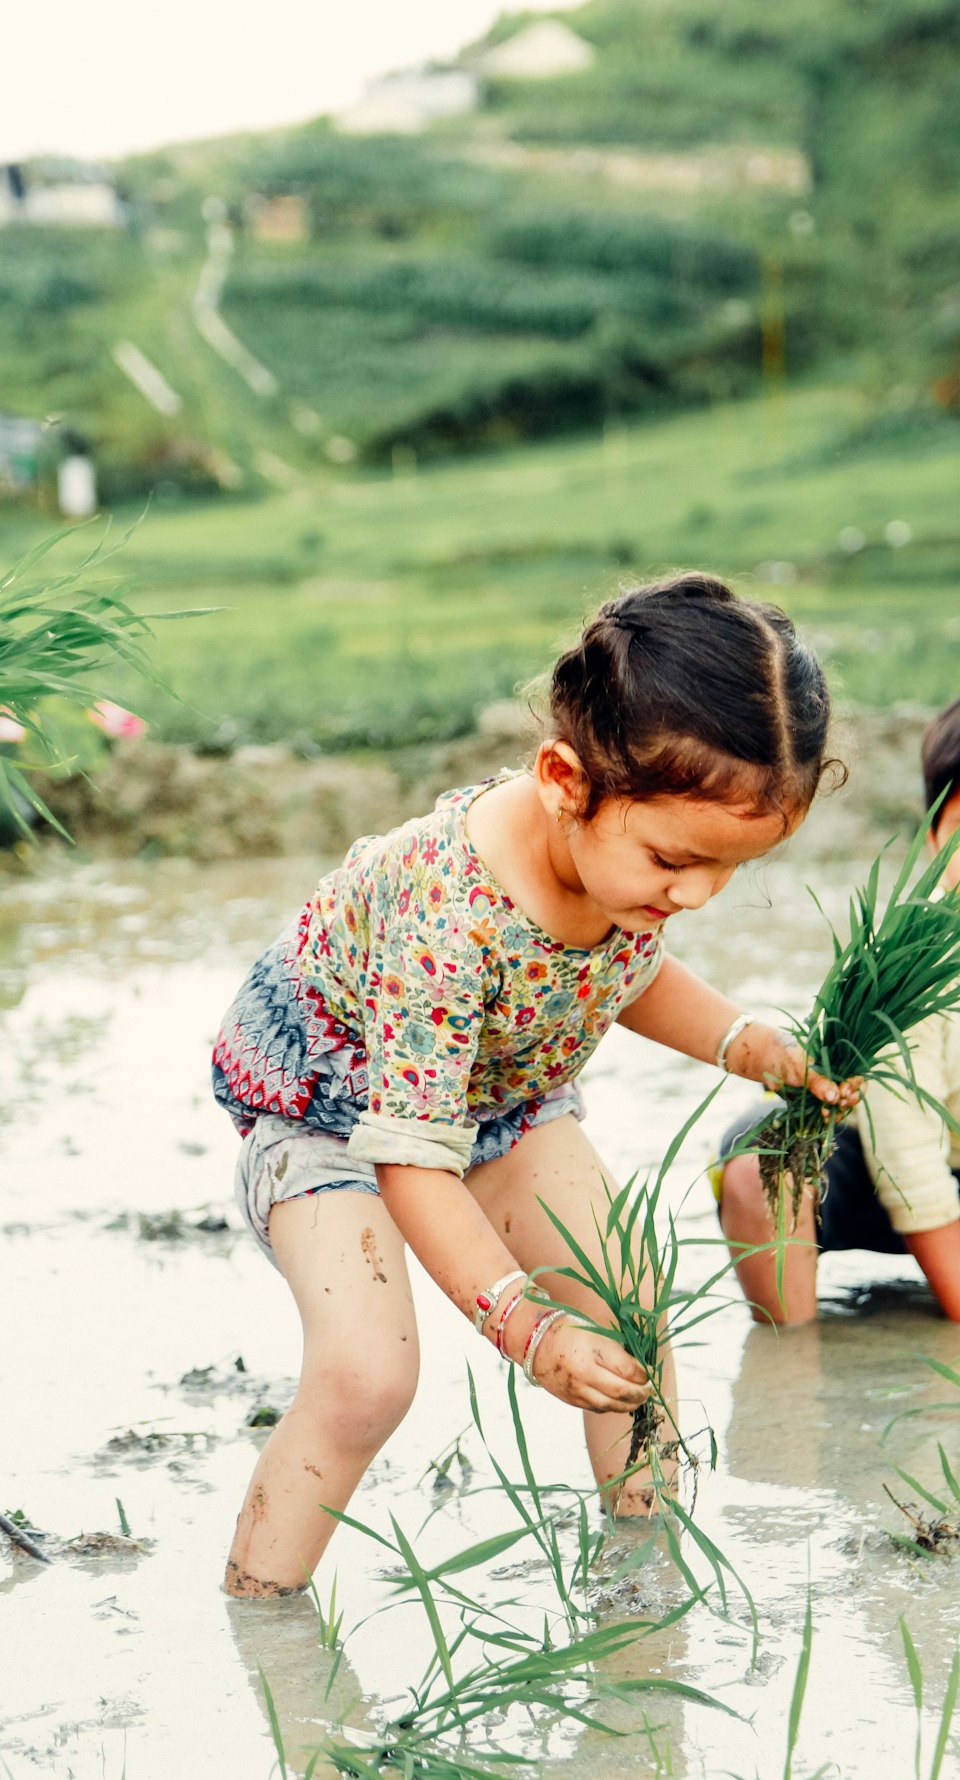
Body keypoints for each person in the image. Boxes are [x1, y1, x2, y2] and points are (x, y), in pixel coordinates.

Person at [212, 572, 859, 1598]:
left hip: (498, 1102)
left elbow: (627, 966)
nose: (691, 896)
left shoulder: (615, 868)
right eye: (673, 860)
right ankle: (263, 1608)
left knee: (627, 1303)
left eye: (726, 870)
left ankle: (649, 1578)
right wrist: (524, 1326)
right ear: (564, 777)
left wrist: (748, 1043)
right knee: (365, 1376)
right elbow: (414, 1159)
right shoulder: (448, 909)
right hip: (334, 1116)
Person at [717, 695, 960, 1325]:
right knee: (758, 1156)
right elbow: (903, 1146)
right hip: (898, 1175)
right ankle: (791, 1366)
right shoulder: (913, 955)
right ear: (935, 837)